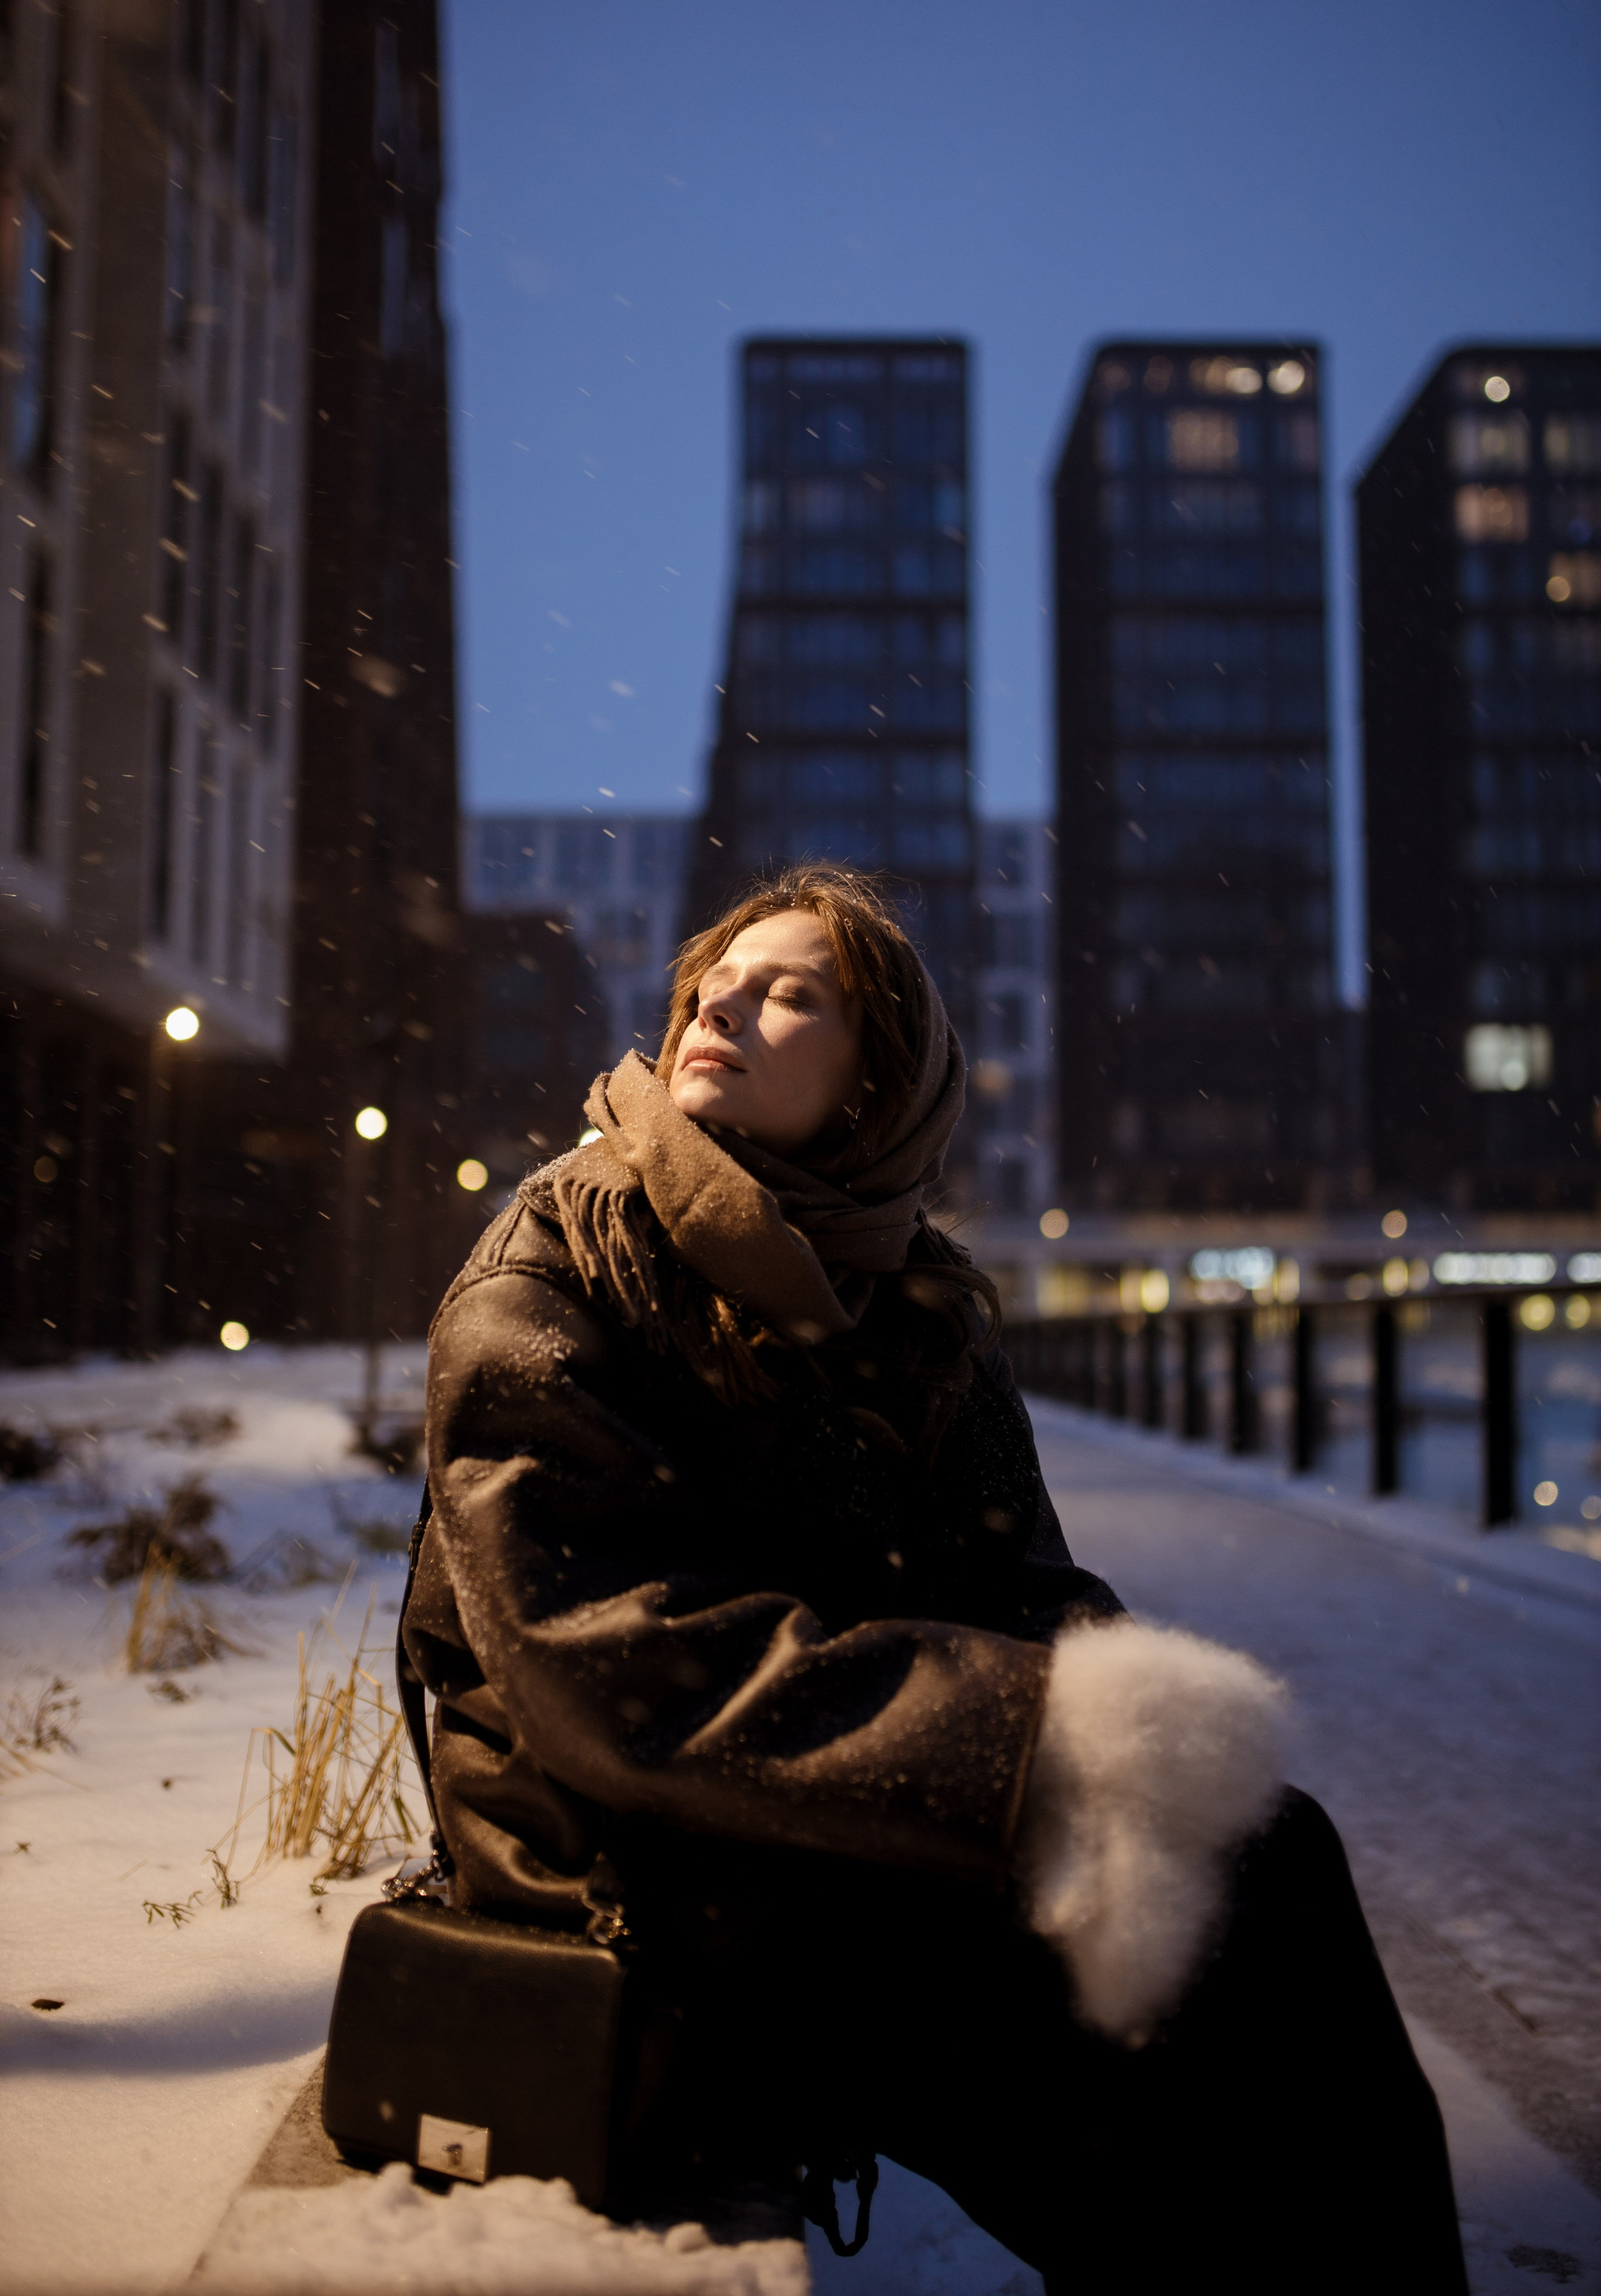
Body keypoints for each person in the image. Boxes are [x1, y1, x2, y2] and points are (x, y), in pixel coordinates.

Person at [407, 863, 1467, 2293]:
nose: (721, 1003)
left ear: (876, 1085)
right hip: (638, 1856)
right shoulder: (557, 1269)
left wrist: (1122, 1738)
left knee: (1266, 1856)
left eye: (791, 995)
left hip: (840, 1812)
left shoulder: (907, 1302)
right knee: (1145, 2091)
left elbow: (1019, 1579)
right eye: (710, 985)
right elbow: (607, 1670)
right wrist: (1033, 1742)